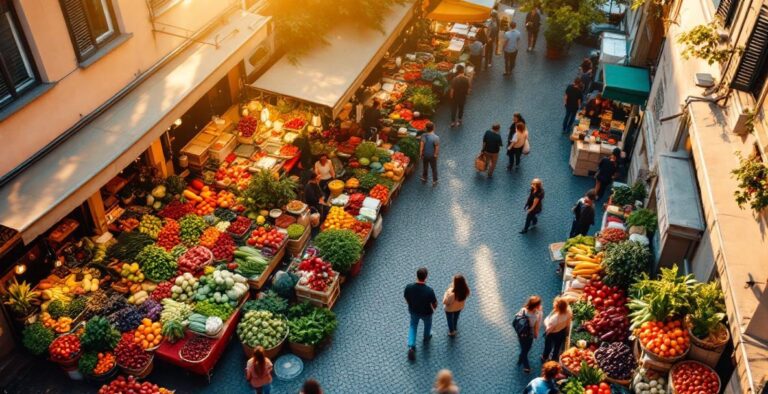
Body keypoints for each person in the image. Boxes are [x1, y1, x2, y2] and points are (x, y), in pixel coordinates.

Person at [404, 267, 437, 361]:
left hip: (414, 311)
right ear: (426, 277)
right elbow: (434, 303)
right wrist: (434, 309)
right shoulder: (429, 290)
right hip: (426, 312)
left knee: (413, 326)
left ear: (416, 276)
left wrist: (411, 304)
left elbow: (406, 298)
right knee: (427, 324)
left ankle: (411, 346)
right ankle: (426, 337)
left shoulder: (409, 287)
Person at [517, 295, 543, 373]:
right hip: (529, 334)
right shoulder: (537, 314)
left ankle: (521, 358)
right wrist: (536, 335)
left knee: (523, 346)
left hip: (521, 332)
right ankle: (526, 366)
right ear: (537, 305)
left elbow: (517, 318)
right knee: (526, 349)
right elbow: (536, 326)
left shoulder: (523, 310)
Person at [542, 297, 573, 361]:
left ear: (557, 307)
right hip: (562, 331)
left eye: (554, 303)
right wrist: (567, 332)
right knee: (557, 346)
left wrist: (545, 321)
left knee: (548, 346)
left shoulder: (554, 319)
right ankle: (554, 358)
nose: (553, 303)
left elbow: (548, 329)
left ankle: (545, 357)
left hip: (552, 333)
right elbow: (568, 323)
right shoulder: (569, 311)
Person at [420, 122, 440, 186]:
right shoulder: (436, 137)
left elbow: (422, 146)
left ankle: (424, 177)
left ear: (426, 128)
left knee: (425, 166)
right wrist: (436, 155)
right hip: (432, 156)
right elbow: (437, 147)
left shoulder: (423, 136)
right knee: (434, 168)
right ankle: (434, 180)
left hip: (425, 154)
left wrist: (421, 153)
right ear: (433, 128)